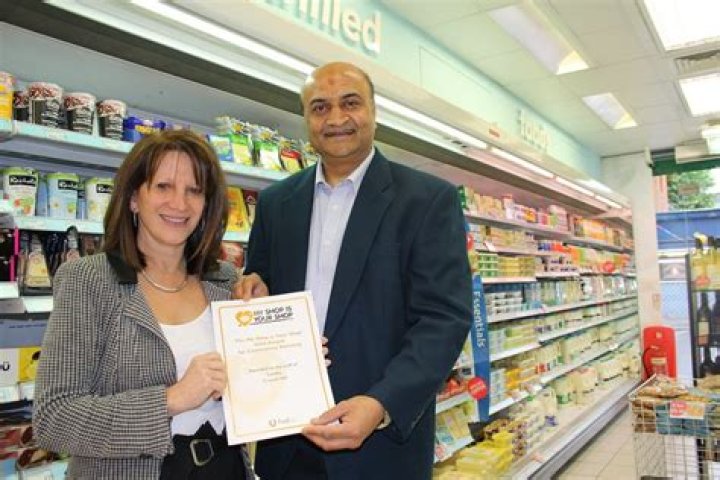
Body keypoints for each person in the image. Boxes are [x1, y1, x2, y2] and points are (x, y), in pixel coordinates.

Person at [236, 61, 473, 479]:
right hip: (287, 444)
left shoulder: (427, 200)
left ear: (374, 111)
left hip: (379, 449)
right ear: (306, 119)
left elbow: (444, 319)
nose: (336, 119)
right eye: (320, 107)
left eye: (350, 103)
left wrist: (382, 403)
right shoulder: (276, 203)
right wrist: (254, 289)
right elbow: (262, 281)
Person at [33, 129, 254, 479]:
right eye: (163, 186)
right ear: (134, 197)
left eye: (194, 190)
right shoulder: (88, 280)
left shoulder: (224, 279)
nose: (179, 204)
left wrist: (289, 355)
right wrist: (172, 399)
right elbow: (54, 419)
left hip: (225, 468)